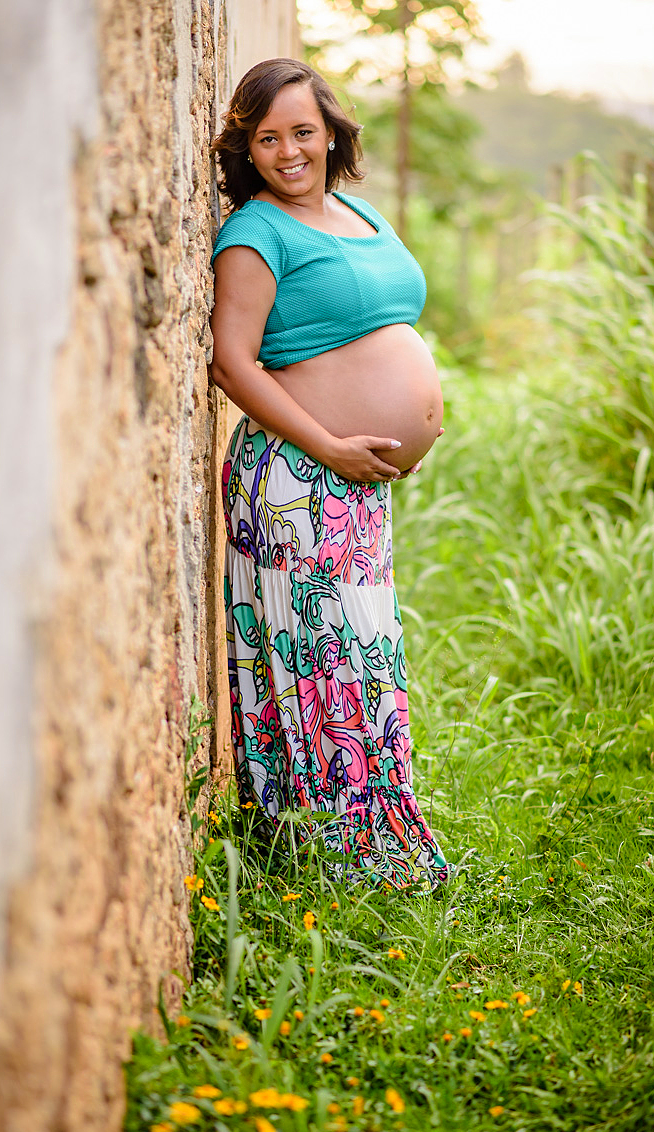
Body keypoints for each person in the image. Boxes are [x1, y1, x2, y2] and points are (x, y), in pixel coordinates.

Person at [209, 58, 453, 891]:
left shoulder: (359, 212)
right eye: (267, 137)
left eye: (301, 131)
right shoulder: (255, 232)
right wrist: (329, 446)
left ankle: (373, 834)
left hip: (349, 483)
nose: (287, 152)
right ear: (248, 148)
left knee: (360, 648)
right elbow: (232, 365)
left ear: (331, 132)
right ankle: (340, 850)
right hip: (297, 480)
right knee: (323, 654)